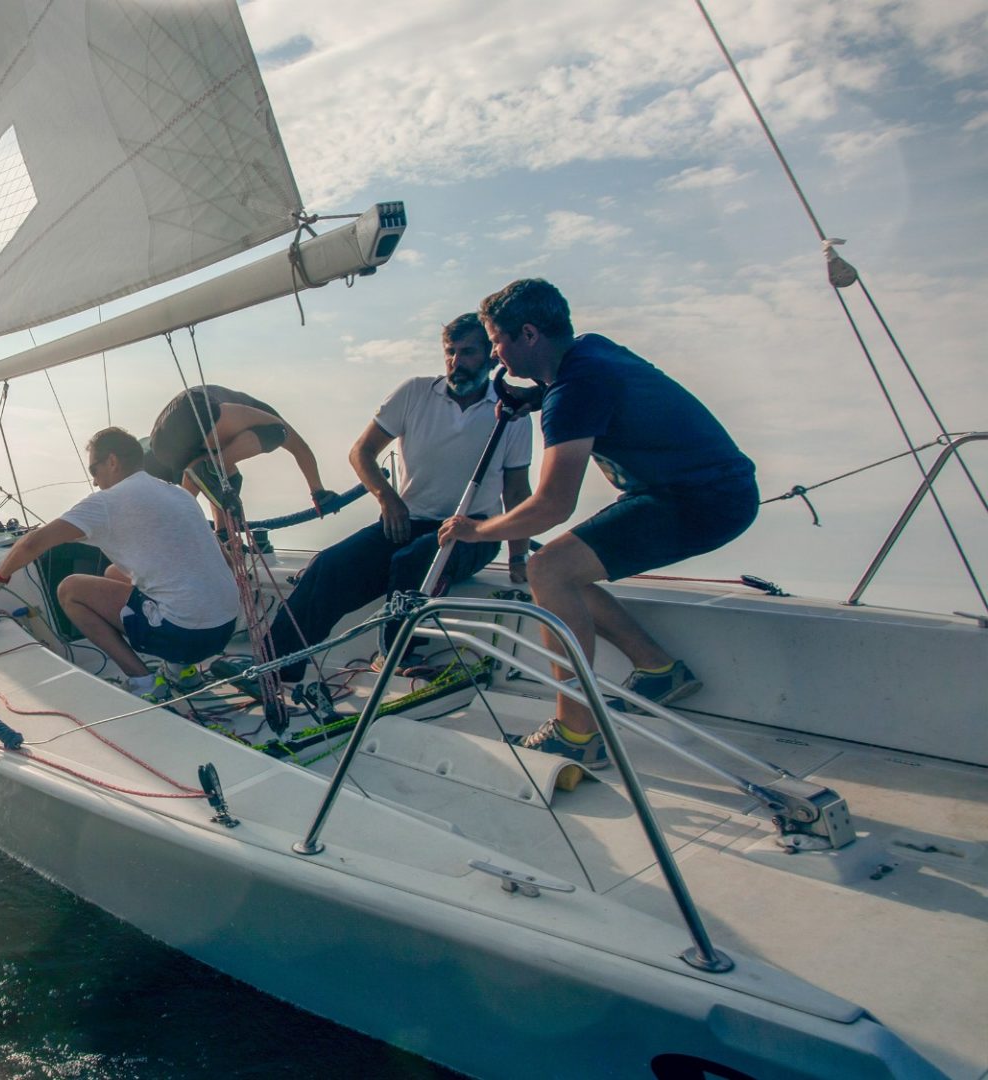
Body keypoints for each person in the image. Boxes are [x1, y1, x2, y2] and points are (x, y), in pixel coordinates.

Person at [440, 279, 757, 768]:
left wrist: (477, 531)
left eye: (497, 341)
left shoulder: (574, 391)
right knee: (561, 570)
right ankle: (657, 669)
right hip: (707, 491)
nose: (496, 355)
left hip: (700, 501)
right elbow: (595, 394)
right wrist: (534, 400)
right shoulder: (590, 353)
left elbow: (552, 506)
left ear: (529, 334)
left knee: (548, 569)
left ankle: (575, 732)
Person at [262, 313, 533, 697]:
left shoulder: (511, 413)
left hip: (474, 531)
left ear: (490, 357)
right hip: (407, 518)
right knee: (328, 567)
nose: (456, 361)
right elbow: (362, 452)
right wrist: (387, 498)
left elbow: (517, 492)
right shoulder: (415, 393)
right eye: (450, 352)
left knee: (414, 559)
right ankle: (274, 667)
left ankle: (396, 656)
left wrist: (519, 557)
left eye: (468, 352)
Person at [0, 426, 239, 703]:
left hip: (185, 636)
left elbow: (32, 544)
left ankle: (143, 682)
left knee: (70, 590)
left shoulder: (106, 502)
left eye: (94, 470)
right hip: (225, 628)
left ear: (112, 461)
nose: (94, 481)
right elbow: (226, 560)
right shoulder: (178, 493)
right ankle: (181, 671)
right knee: (114, 573)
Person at [145, 385, 331, 526]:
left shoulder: (221, 437)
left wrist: (222, 532)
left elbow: (206, 483)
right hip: (193, 410)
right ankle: (215, 466)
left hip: (161, 442)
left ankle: (220, 531)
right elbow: (300, 448)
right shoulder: (260, 413)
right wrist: (318, 491)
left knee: (223, 478)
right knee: (278, 430)